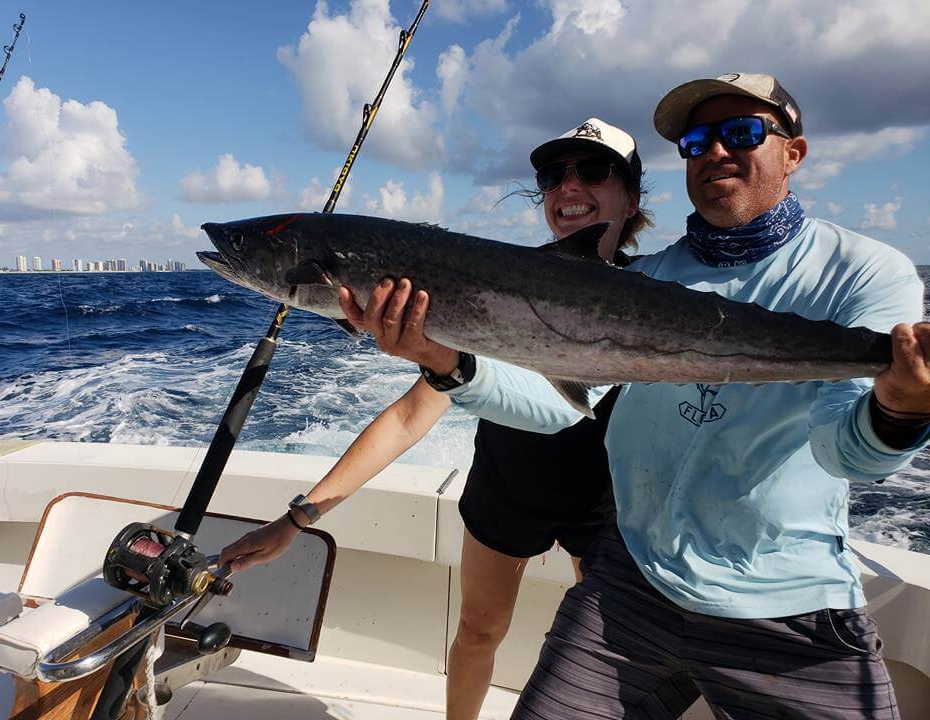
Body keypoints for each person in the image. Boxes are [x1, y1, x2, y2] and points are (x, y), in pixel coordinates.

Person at [340, 73, 930, 719]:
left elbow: (850, 457)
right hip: (633, 589)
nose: (714, 151)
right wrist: (440, 358)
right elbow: (561, 405)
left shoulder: (865, 270)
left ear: (794, 152)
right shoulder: (646, 279)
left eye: (742, 132)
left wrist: (901, 407)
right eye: (697, 139)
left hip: (785, 605)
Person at [219, 118, 654, 720]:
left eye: (593, 170)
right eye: (554, 175)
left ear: (631, 196)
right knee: (478, 633)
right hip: (507, 490)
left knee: (595, 653)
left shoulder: (663, 294)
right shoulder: (488, 280)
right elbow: (408, 417)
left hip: (607, 503)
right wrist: (300, 517)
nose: (568, 185)